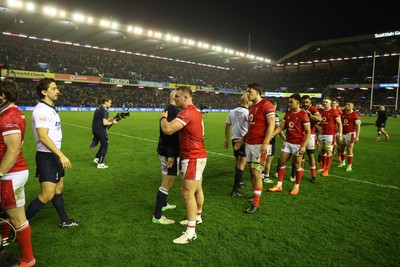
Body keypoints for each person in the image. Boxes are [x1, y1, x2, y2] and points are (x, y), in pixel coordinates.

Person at [26, 77, 80, 228]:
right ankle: (17, 224)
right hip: (47, 156)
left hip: (53, 155)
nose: (58, 91)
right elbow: (43, 136)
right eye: (54, 88)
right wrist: (61, 155)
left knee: (58, 188)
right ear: (44, 92)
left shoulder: (49, 109)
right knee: (47, 194)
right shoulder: (42, 110)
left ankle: (64, 220)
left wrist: (59, 154)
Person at [160, 86, 206, 244]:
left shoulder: (186, 113)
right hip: (199, 155)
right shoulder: (197, 112)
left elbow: (167, 129)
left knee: (187, 193)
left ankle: (191, 233)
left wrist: (163, 117)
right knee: (197, 188)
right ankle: (197, 217)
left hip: (192, 157)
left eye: (178, 96)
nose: (175, 99)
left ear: (186, 97)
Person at [0, 80, 35, 266]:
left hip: (9, 175)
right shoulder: (11, 113)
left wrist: (0, 172)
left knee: (16, 217)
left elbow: (13, 149)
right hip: (11, 173)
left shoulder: (9, 115)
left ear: (3, 96)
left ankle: (27, 259)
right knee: (7, 214)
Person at [234, 83, 275, 214]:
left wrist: (265, 142)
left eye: (250, 91)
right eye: (247, 91)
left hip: (260, 144)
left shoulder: (266, 105)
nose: (248, 93)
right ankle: (255, 195)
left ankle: (256, 203)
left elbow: (271, 125)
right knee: (252, 172)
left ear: (257, 92)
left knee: (256, 172)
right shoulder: (252, 107)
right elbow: (251, 128)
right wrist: (242, 140)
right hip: (250, 144)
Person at [268, 93, 311, 195]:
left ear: (298, 103)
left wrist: (304, 146)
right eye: (289, 102)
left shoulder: (303, 115)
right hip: (288, 142)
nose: (289, 104)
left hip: (298, 143)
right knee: (282, 162)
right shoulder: (288, 114)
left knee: (297, 165)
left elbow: (308, 131)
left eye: (291, 102)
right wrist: (271, 135)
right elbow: (281, 127)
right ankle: (279, 185)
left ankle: (296, 187)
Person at [152, 90, 180, 225]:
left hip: (163, 150)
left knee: (165, 178)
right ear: (176, 97)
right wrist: (171, 154)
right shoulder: (173, 110)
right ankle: (157, 216)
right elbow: (169, 134)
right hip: (168, 152)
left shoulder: (167, 109)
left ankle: (163, 204)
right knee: (168, 182)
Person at [224, 93, 250, 197]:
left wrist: (226, 138)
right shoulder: (248, 112)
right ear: (248, 101)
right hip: (243, 140)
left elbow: (227, 125)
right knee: (241, 164)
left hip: (234, 139)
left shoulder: (233, 111)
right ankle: (235, 190)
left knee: (238, 162)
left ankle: (239, 181)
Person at [315, 97, 342, 177]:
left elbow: (340, 123)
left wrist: (340, 134)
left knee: (329, 152)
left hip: (330, 135)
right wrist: (317, 127)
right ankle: (323, 167)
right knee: (322, 151)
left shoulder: (334, 111)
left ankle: (327, 170)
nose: (324, 103)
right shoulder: (321, 111)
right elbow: (317, 121)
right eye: (323, 102)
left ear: (330, 103)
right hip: (321, 134)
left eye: (326, 102)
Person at [91, 95, 118, 169]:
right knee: (105, 145)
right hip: (100, 130)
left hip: (95, 129)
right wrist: (113, 123)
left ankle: (97, 158)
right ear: (105, 102)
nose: (110, 104)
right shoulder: (105, 110)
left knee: (103, 144)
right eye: (109, 102)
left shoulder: (98, 108)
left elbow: (100, 119)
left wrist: (109, 119)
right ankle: (100, 163)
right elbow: (104, 123)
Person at [262, 98, 285, 184]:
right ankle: (266, 177)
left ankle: (261, 174)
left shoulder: (262, 114)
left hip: (261, 139)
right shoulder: (274, 116)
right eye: (275, 106)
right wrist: (285, 138)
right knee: (268, 160)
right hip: (270, 141)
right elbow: (279, 129)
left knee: (262, 159)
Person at [301, 95, 322, 183]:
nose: (305, 104)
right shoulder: (299, 108)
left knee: (311, 156)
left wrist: (310, 115)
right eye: (304, 102)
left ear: (310, 102)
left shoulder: (313, 109)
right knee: (300, 156)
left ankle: (313, 175)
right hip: (300, 135)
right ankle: (299, 173)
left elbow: (319, 119)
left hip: (310, 135)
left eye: (307, 102)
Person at [338, 101, 361, 172]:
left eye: (349, 105)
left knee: (349, 149)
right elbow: (340, 125)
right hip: (343, 133)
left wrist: (357, 136)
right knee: (342, 148)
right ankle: (343, 162)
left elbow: (358, 126)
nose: (347, 106)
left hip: (350, 134)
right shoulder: (343, 114)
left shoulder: (355, 114)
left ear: (352, 106)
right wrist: (340, 133)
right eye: (346, 104)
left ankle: (349, 166)